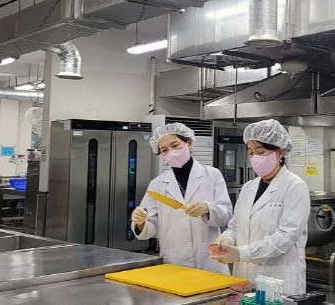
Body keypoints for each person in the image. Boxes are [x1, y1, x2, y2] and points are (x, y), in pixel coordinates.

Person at [209, 119, 310, 295]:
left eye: (260, 151)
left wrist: (240, 253)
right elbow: (234, 226)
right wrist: (226, 240)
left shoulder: (295, 186)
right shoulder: (249, 187)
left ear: (280, 152)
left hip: (278, 280)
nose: (255, 157)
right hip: (244, 277)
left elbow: (285, 237)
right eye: (251, 152)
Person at [132, 123, 232, 274]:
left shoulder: (212, 175)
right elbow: (149, 228)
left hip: (209, 262)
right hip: (174, 262)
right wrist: (140, 223)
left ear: (189, 143)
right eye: (164, 150)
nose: (171, 152)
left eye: (175, 145)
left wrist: (207, 209)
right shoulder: (157, 184)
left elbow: (226, 216)